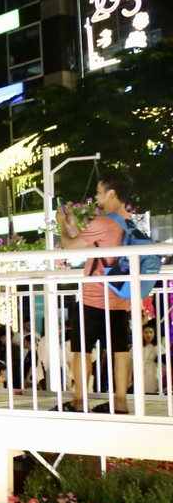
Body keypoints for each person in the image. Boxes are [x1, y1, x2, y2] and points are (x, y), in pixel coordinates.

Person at [55, 168, 136, 413]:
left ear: (112, 193)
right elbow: (92, 245)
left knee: (81, 349)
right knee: (120, 349)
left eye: (100, 192)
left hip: (94, 297)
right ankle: (120, 401)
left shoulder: (103, 222)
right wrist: (76, 224)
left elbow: (70, 248)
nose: (97, 197)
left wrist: (62, 225)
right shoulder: (129, 222)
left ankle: (80, 400)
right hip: (120, 298)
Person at [139, 321, 163, 395]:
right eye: (146, 332)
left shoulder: (157, 347)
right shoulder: (137, 346)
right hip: (139, 371)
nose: (149, 335)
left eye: (151, 332)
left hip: (152, 373)